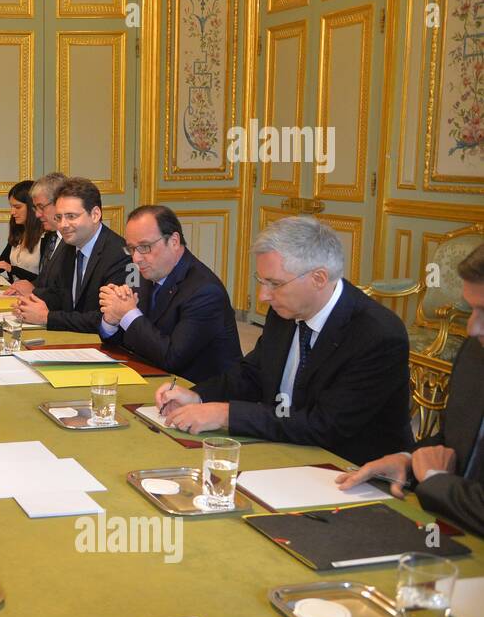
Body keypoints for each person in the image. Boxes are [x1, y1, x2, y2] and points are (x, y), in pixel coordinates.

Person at [157, 216, 413, 466]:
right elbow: (252, 374)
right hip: (284, 446)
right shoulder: (286, 310)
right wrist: (198, 396)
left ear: (319, 279)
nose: (263, 295)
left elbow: (324, 425)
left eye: (274, 283)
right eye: (261, 281)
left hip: (348, 469)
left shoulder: (377, 335)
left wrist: (225, 414)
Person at [338, 243, 484, 534]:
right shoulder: (474, 355)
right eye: (472, 309)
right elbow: (456, 442)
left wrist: (434, 479)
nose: (472, 328)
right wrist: (406, 460)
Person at [98, 204, 242, 382]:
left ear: (174, 241)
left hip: (200, 392)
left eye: (144, 247)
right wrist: (112, 320)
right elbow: (131, 338)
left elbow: (171, 358)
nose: (136, 258)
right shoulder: (147, 273)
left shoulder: (205, 292)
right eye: (132, 249)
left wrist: (128, 313)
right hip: (156, 377)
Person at [15, 176, 128, 332]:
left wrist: (47, 317)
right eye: (59, 217)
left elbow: (107, 318)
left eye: (71, 216)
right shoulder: (69, 245)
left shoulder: (119, 255)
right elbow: (60, 295)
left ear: (95, 214)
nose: (63, 225)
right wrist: (29, 305)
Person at [4, 172, 69, 298]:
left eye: (41, 207)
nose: (38, 214)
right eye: (35, 208)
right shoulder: (55, 238)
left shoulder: (68, 240)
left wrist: (34, 290)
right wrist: (29, 287)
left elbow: (67, 295)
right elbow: (45, 281)